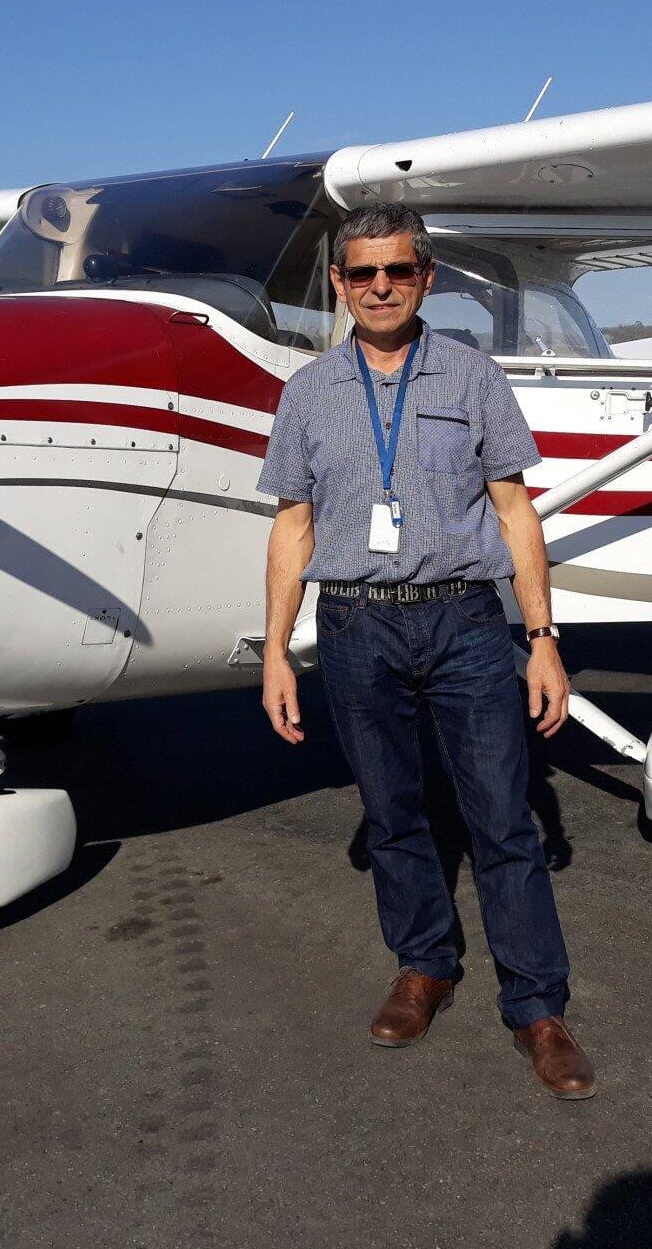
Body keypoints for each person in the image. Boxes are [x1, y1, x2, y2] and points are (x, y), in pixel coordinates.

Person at [255, 202, 596, 1100]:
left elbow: (516, 512)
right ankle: (424, 966)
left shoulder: (474, 377)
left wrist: (543, 640)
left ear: (426, 277)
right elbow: (292, 526)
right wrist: (276, 652)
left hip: (464, 625)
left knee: (503, 820)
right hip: (356, 627)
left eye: (398, 271)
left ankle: (537, 1008)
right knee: (392, 812)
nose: (381, 287)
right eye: (363, 273)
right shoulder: (307, 393)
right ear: (340, 283)